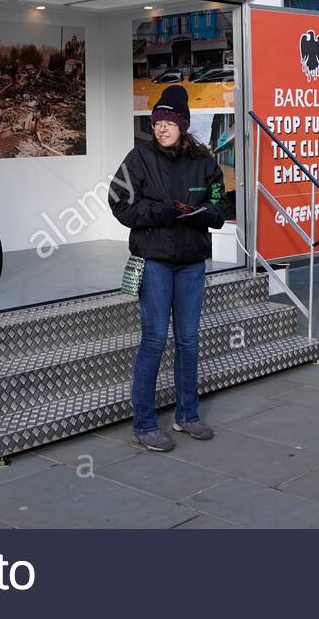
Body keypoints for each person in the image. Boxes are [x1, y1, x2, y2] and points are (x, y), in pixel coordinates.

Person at [109, 85, 230, 452]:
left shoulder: (204, 160)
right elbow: (118, 201)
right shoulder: (139, 157)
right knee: (154, 340)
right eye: (157, 122)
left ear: (183, 125)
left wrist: (210, 212)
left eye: (168, 122)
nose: (161, 128)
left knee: (190, 341)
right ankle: (144, 423)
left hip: (192, 261)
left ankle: (187, 415)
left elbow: (218, 200)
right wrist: (156, 212)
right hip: (155, 261)